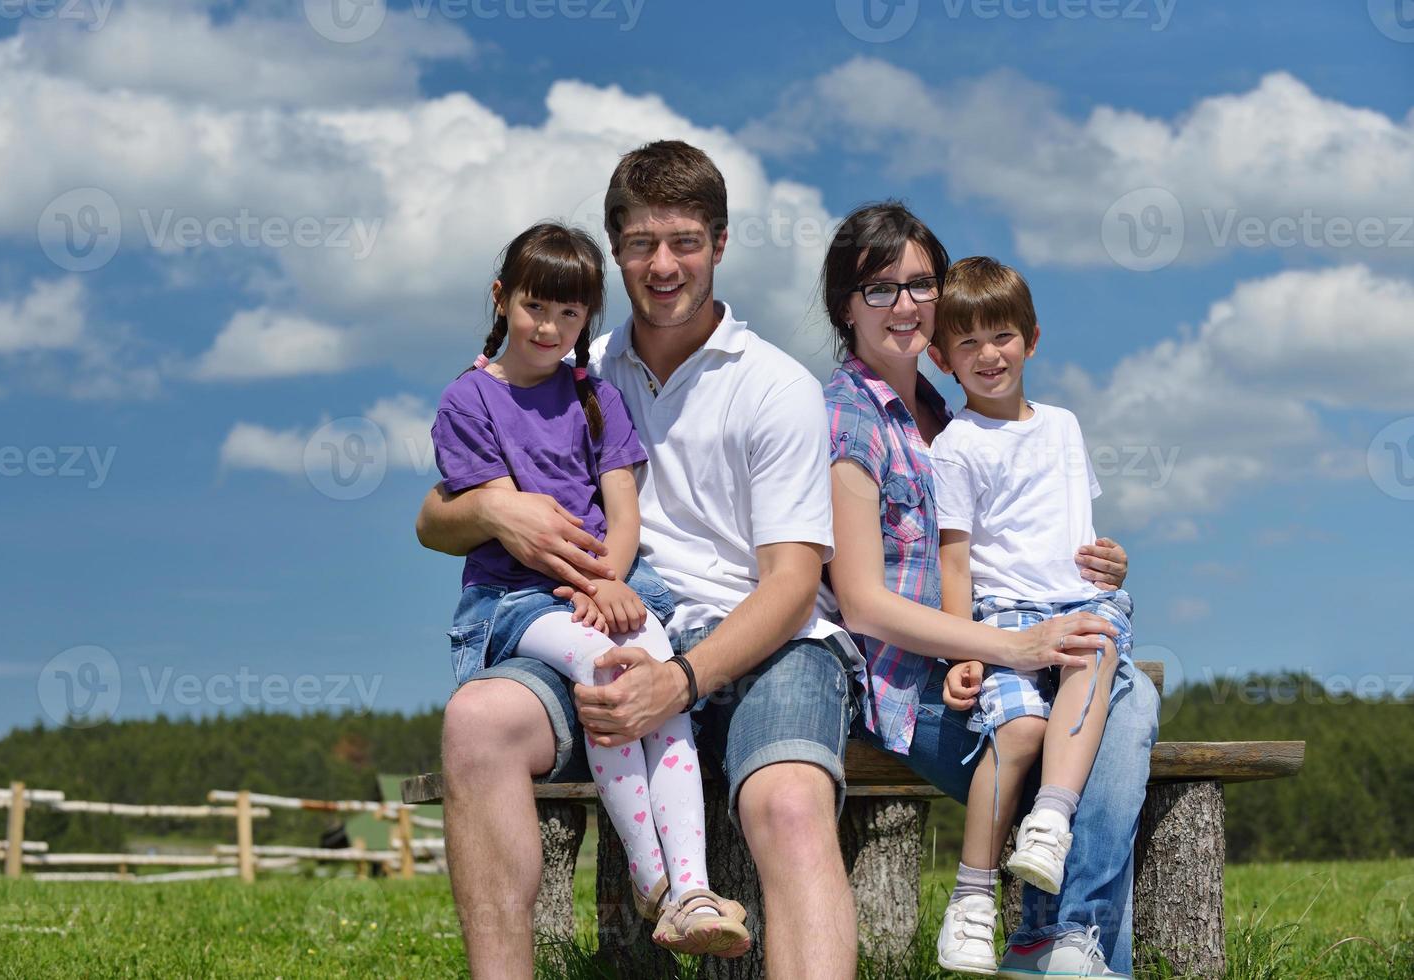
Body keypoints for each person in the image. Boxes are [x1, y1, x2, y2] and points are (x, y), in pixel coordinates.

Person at [418, 141, 861, 979]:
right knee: (476, 723)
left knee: (791, 802)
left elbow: (795, 582)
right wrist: (488, 508)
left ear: (719, 244)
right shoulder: (575, 367)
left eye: (685, 241)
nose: (664, 264)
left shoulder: (775, 387)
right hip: (603, 624)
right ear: (615, 250)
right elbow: (434, 520)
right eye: (642, 244)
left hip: (760, 643)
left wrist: (682, 680)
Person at [821, 202, 1158, 980]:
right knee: (1121, 704)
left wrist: (1101, 566)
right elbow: (867, 602)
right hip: (910, 685)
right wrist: (1009, 645)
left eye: (919, 284)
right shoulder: (849, 418)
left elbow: (1030, 532)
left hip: (992, 647)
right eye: (879, 288)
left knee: (1119, 692)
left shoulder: (937, 412)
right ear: (846, 305)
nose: (904, 304)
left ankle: (1057, 940)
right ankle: (1060, 939)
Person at [430, 221, 749, 957]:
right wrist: (586, 589)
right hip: (518, 599)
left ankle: (691, 886)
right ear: (501, 297)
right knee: (601, 667)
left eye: (570, 314)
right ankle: (653, 880)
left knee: (654, 671)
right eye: (536, 306)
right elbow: (515, 523)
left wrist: (609, 581)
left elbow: (623, 507)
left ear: (587, 320)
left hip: (610, 581)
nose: (550, 326)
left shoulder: (592, 396)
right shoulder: (470, 401)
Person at [923, 256, 1137, 975]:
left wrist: (1112, 562)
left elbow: (1076, 532)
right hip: (1004, 618)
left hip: (1079, 603)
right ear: (941, 357)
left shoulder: (1063, 428)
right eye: (967, 343)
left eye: (1003, 336)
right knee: (1015, 731)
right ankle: (973, 898)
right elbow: (955, 560)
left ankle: (1049, 819)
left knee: (1094, 655)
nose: (988, 355)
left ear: (1032, 339)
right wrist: (968, 652)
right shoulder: (953, 449)